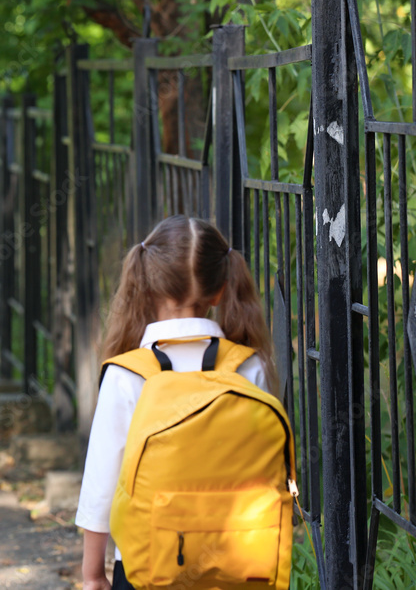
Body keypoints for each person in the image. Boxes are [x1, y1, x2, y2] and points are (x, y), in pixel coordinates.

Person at [76, 215, 278, 590]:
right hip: (240, 557)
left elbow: (102, 479)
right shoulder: (249, 366)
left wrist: (92, 574)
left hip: (146, 561)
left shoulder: (129, 372)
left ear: (148, 285)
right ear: (219, 291)